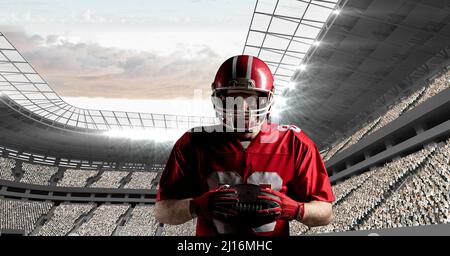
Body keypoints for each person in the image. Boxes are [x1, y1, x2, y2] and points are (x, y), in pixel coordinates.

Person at [155, 55, 335, 236]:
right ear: (219, 99)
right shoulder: (192, 143)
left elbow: (325, 212)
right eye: (234, 100)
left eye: (252, 99)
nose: (243, 109)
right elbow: (162, 211)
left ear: (268, 99)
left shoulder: (294, 142)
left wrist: (296, 209)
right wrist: (195, 206)